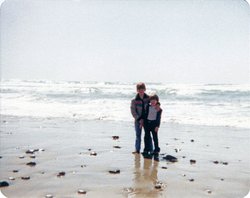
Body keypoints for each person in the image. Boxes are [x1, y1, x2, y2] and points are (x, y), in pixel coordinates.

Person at [130, 82, 152, 154]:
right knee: (138, 135)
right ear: (137, 90)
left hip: (146, 120)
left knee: (148, 135)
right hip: (137, 120)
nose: (141, 91)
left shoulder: (148, 98)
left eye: (142, 89)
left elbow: (152, 107)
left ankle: (150, 149)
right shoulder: (134, 100)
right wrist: (139, 119)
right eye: (139, 89)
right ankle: (137, 149)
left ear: (144, 89)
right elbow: (133, 111)